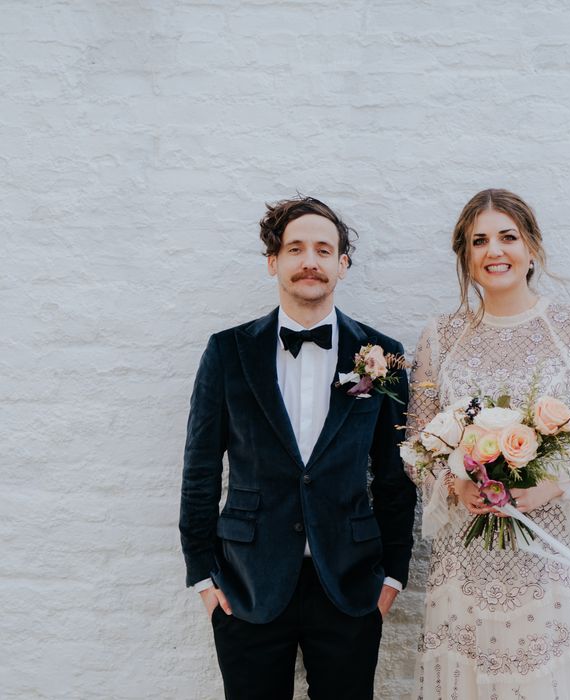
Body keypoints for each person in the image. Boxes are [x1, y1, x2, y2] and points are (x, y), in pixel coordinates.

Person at [179, 195, 416, 700]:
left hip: (350, 585)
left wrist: (392, 576)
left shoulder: (383, 355)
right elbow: (200, 468)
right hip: (247, 585)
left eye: (324, 250)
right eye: (296, 249)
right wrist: (202, 574)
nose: (310, 260)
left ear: (342, 264)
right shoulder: (228, 351)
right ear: (274, 262)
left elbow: (396, 475)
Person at [406, 189, 570, 699]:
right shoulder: (441, 336)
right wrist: (456, 487)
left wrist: (550, 485)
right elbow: (419, 442)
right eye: (478, 240)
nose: (494, 251)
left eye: (508, 236)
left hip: (555, 559)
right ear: (464, 255)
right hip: (467, 559)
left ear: (532, 247)